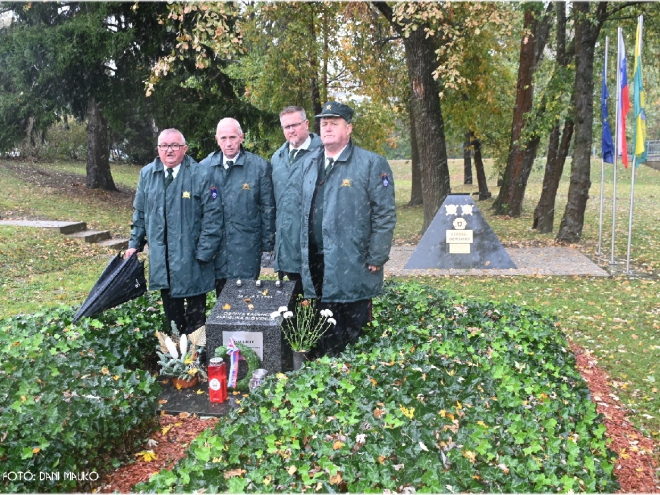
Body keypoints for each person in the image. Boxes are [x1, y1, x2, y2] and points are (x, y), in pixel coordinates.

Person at [300, 101, 396, 357]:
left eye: (334, 123)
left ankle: (355, 379)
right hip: (317, 260)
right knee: (324, 324)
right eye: (323, 124)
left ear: (349, 128)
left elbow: (384, 213)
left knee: (354, 329)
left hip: (354, 260)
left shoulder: (371, 164)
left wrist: (377, 254)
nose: (327, 128)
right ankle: (325, 376)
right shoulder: (311, 163)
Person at [126, 128, 222, 335]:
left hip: (193, 260)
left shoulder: (201, 174)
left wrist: (204, 253)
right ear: (158, 148)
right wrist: (134, 244)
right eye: (164, 146)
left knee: (197, 323)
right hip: (163, 261)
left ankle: (196, 358)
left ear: (184, 149)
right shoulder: (147, 174)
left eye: (175, 146)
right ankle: (177, 359)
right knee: (173, 321)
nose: (169, 151)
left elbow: (213, 217)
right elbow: (140, 213)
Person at [200, 118, 276, 296]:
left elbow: (268, 209)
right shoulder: (204, 168)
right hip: (216, 249)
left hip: (247, 249)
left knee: (246, 301)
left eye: (233, 137)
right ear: (216, 139)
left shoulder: (259, 167)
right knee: (222, 304)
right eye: (223, 138)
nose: (228, 143)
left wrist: (267, 247)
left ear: (242, 137)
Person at [271, 106, 322, 295]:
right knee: (293, 309)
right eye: (286, 127)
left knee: (320, 310)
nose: (291, 130)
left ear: (306, 124)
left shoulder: (322, 154)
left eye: (295, 125)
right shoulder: (277, 158)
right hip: (288, 247)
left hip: (316, 248)